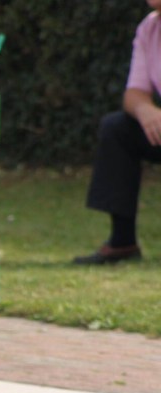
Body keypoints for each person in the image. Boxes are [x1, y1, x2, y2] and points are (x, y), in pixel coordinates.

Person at [74, 0, 161, 264]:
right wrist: (146, 110)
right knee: (117, 128)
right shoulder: (149, 28)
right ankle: (123, 242)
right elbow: (134, 93)